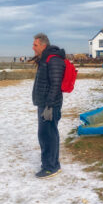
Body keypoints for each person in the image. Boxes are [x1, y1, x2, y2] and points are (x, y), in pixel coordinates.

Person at [32, 33, 65, 179]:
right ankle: (52, 164)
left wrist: (49, 106)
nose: (33, 47)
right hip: (45, 104)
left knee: (47, 135)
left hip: (49, 106)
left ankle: (50, 167)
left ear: (43, 46)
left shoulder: (53, 59)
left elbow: (56, 84)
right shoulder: (45, 58)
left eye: (35, 45)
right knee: (49, 134)